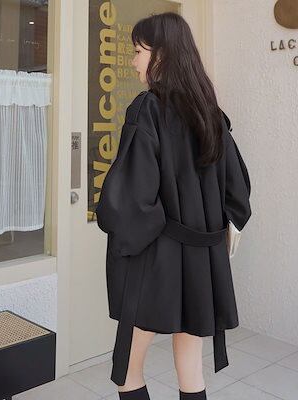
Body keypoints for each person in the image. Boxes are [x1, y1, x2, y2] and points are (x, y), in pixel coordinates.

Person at [95, 11, 252, 400]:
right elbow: (238, 193)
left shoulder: (148, 108)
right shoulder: (211, 114)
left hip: (158, 260)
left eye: (138, 51)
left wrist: (122, 234)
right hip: (201, 261)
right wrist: (219, 236)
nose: (133, 61)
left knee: (128, 370)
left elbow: (131, 199)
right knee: (190, 367)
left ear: (161, 54)